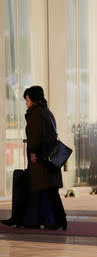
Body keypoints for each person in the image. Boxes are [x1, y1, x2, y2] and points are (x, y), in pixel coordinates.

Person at [23, 86, 67, 230]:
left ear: (33, 99)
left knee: (48, 192)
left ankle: (55, 221)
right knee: (51, 192)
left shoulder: (36, 114)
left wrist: (33, 153)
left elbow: (35, 139)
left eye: (27, 99)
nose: (26, 103)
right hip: (48, 158)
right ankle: (56, 221)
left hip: (42, 160)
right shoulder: (46, 112)